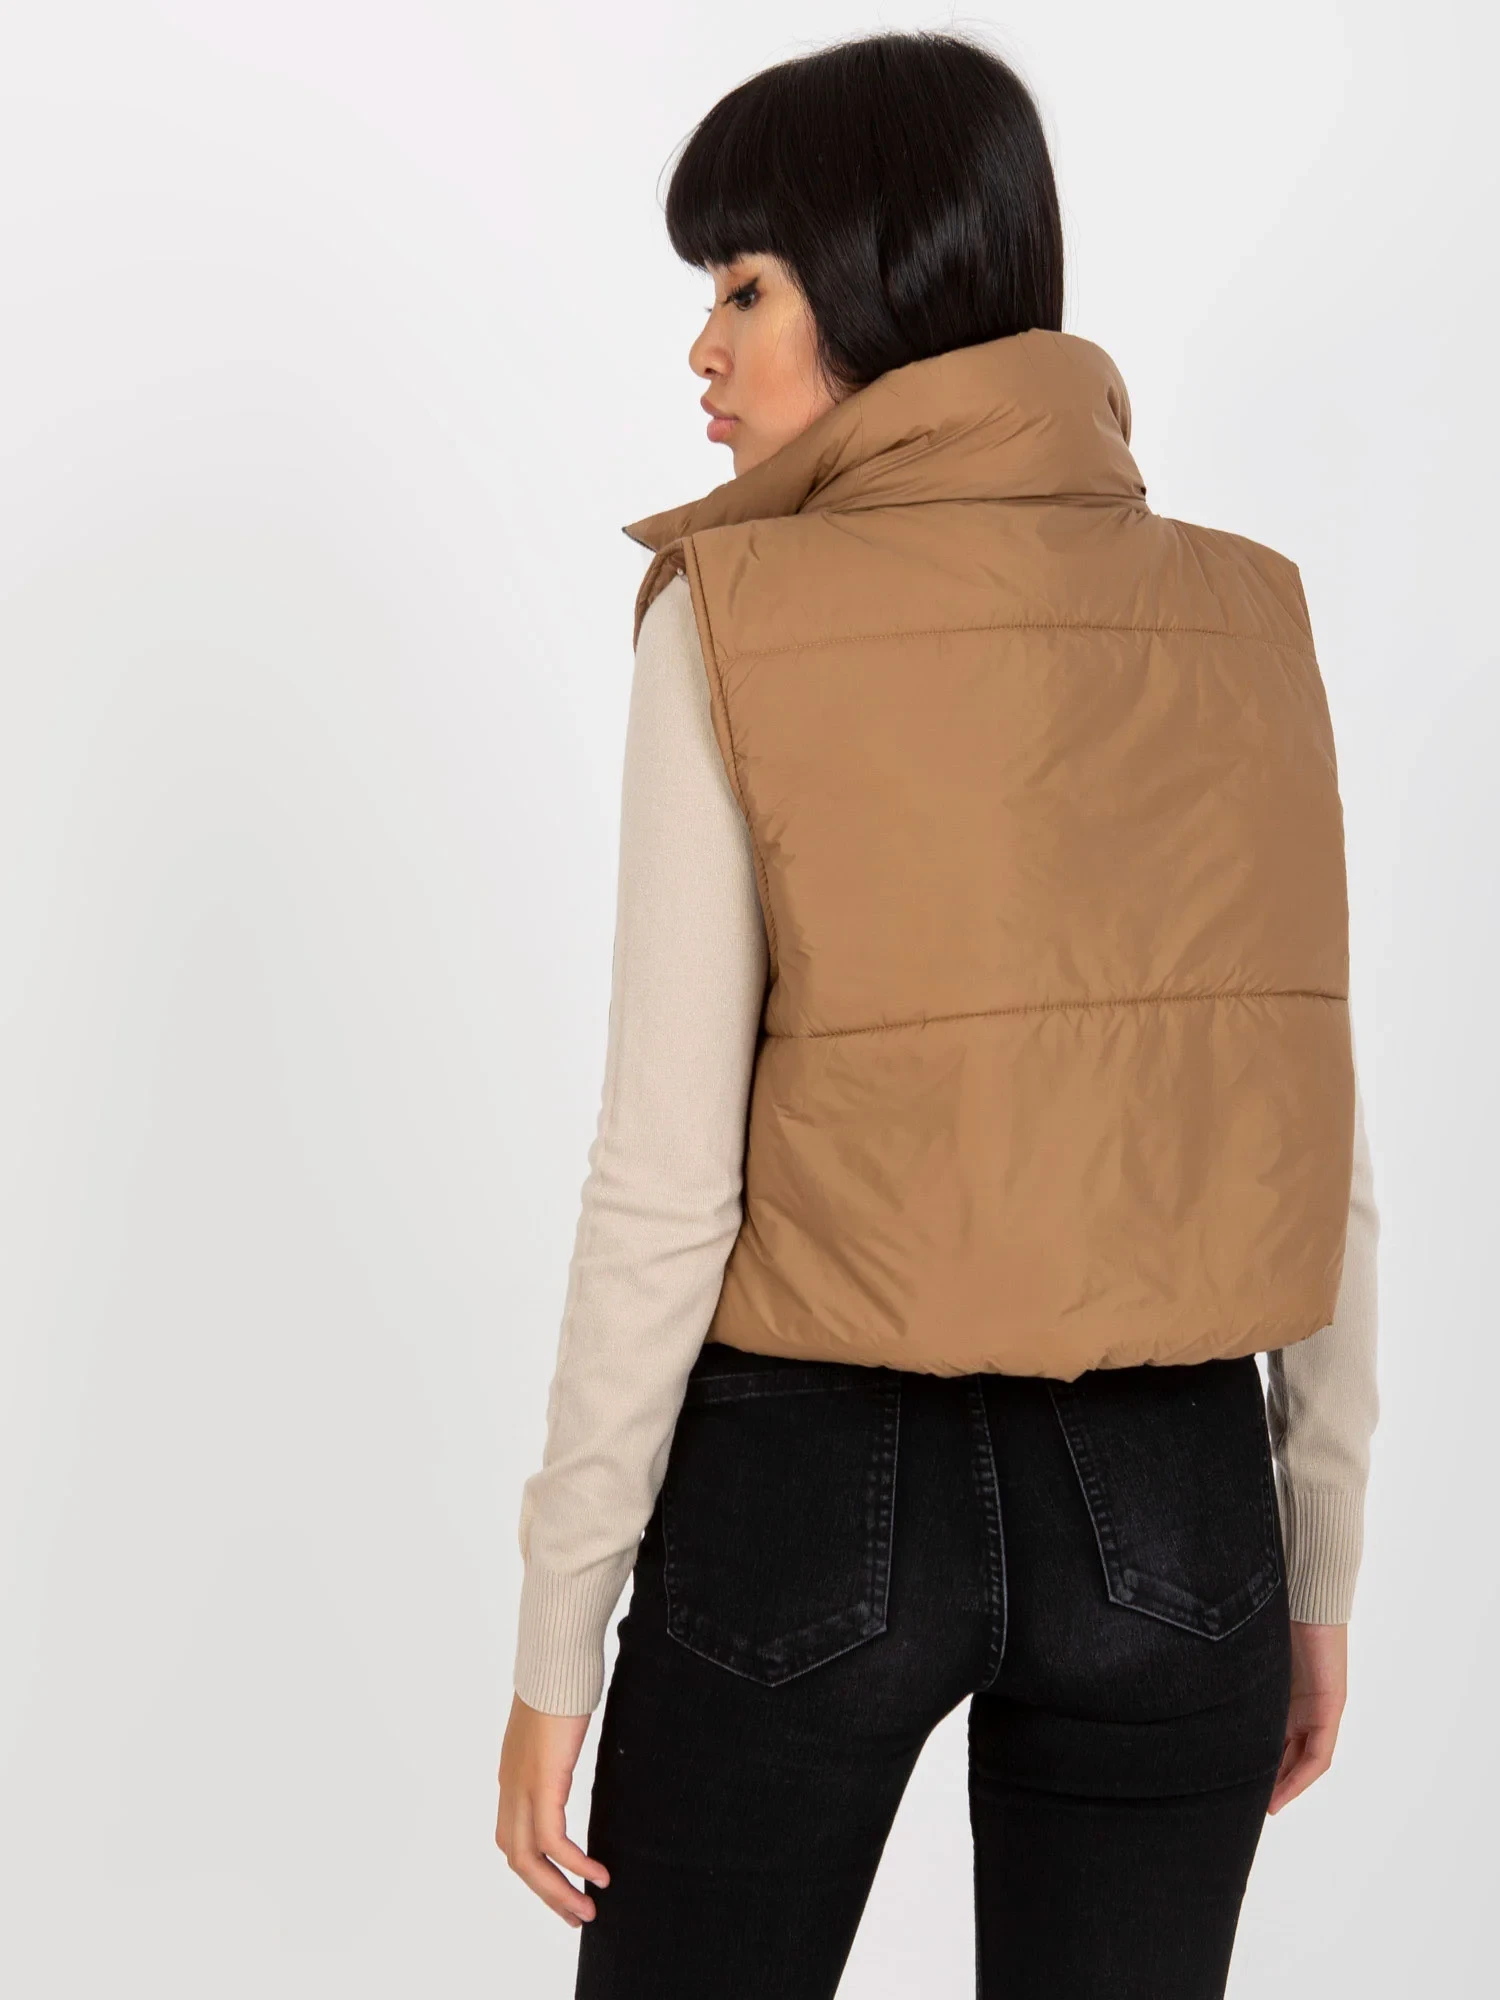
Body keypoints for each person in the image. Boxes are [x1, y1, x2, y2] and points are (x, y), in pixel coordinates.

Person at [495, 28, 1380, 2000]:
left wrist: (558, 1637)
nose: (704, 351)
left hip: (812, 1487)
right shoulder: (1246, 618)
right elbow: (1314, 1134)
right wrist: (1314, 1556)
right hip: (1180, 1502)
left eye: (745, 286)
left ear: (876, 282)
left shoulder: (732, 618)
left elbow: (666, 1177)